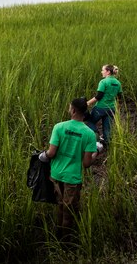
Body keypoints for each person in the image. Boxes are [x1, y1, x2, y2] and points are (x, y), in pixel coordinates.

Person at [39, 97, 98, 244]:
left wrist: (42, 155)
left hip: (56, 174)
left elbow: (51, 153)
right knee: (69, 212)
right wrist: (96, 152)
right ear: (84, 112)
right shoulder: (89, 134)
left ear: (72, 110)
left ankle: (57, 237)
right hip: (72, 178)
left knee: (60, 206)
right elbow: (86, 163)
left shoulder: (59, 127)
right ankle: (66, 243)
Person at [86, 64, 122, 147]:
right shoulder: (118, 83)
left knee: (90, 122)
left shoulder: (103, 82)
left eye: (103, 70)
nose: (101, 72)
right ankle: (107, 145)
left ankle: (96, 134)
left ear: (108, 72)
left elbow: (99, 96)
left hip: (100, 108)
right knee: (107, 128)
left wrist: (87, 103)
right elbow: (119, 97)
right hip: (112, 109)